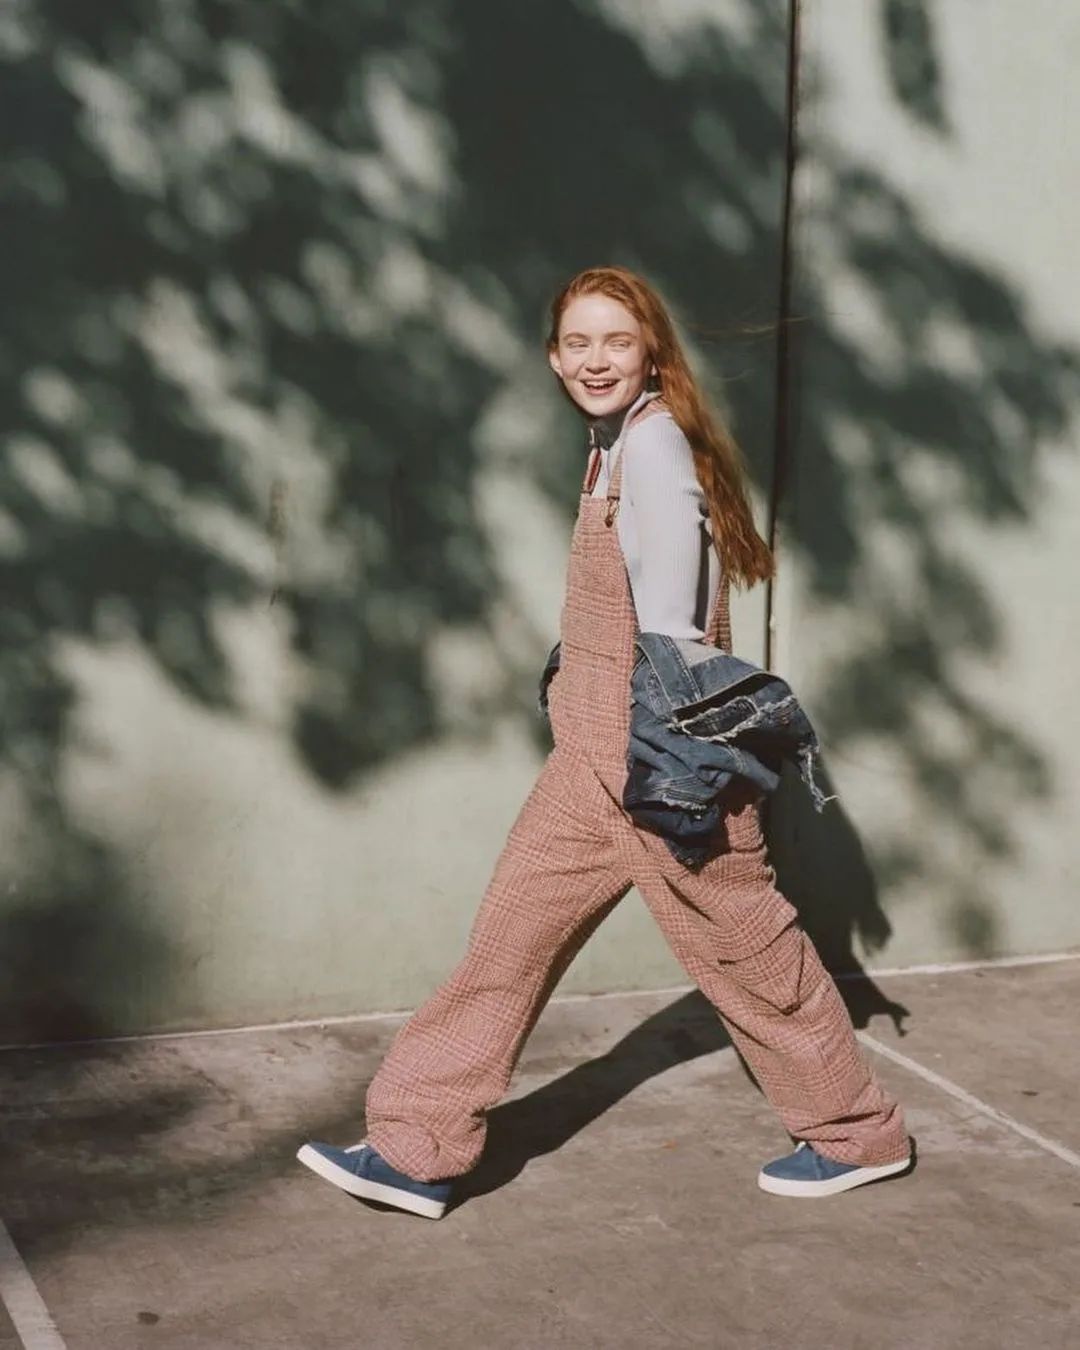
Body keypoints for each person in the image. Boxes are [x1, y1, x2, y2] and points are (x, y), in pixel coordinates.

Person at [297, 266, 911, 1218]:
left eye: (615, 343)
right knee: (503, 950)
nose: (594, 360)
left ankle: (858, 1135)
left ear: (650, 352)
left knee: (752, 959)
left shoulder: (656, 450)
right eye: (577, 344)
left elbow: (670, 631)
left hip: (658, 770)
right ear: (553, 357)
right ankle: (417, 1149)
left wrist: (661, 770)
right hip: (591, 763)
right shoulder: (616, 445)